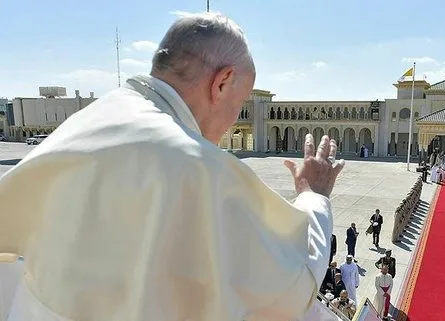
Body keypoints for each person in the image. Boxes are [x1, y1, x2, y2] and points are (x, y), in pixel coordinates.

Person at [0, 13, 346, 321]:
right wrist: (313, 195)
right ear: (222, 83)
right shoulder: (195, 166)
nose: (232, 121)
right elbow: (293, 281)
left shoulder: (85, 121)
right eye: (239, 104)